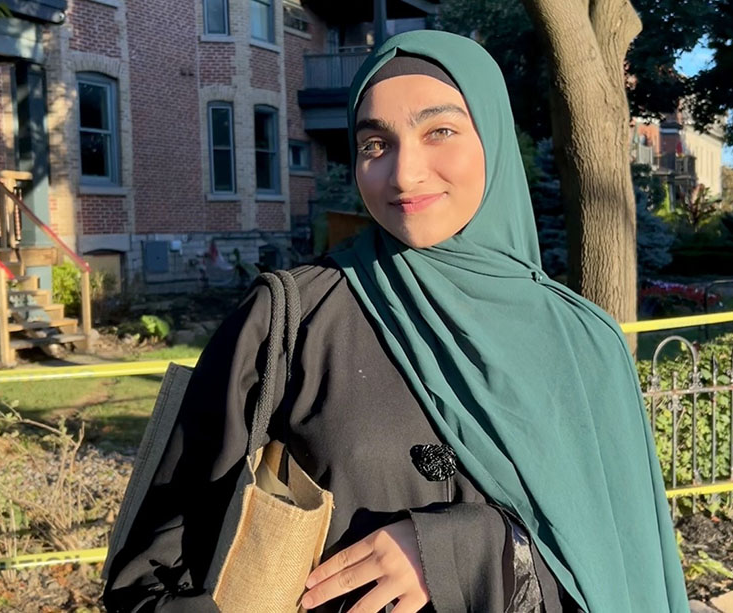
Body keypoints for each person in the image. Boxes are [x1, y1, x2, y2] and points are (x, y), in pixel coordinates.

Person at [103, 30, 689, 613]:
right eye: (375, 144)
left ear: (493, 140)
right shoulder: (291, 321)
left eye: (440, 131)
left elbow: (622, 571)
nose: (404, 174)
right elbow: (149, 573)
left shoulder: (585, 344)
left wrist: (466, 551)